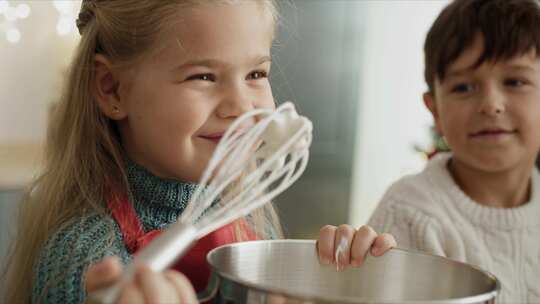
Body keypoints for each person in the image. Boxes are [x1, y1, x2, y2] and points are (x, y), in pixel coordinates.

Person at [2, 1, 395, 303]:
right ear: (112, 89)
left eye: (256, 74)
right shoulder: (82, 259)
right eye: (203, 76)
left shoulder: (250, 224)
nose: (241, 106)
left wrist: (335, 279)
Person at [319, 0, 540, 303]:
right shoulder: (408, 215)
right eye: (463, 87)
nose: (491, 104)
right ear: (434, 109)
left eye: (515, 81)